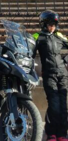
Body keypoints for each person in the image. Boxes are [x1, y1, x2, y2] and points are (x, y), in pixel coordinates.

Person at [32, 10, 68, 141]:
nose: (52, 26)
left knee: (63, 105)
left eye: (54, 24)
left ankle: (62, 134)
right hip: (49, 74)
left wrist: (66, 60)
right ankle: (51, 133)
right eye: (49, 23)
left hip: (62, 74)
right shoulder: (37, 36)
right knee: (54, 104)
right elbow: (29, 51)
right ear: (44, 24)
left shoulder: (59, 35)